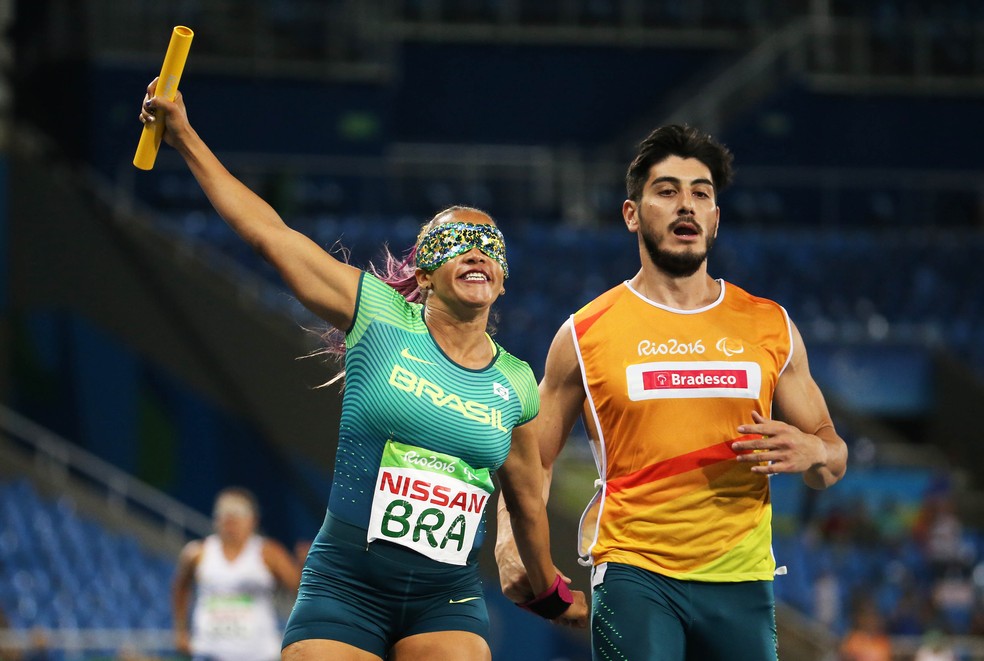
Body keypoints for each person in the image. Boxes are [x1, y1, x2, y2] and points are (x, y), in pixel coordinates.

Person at [140, 78, 588, 661]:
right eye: (457, 242)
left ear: (502, 279)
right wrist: (184, 136)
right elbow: (270, 235)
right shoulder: (377, 314)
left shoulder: (516, 382)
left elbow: (527, 502)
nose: (477, 252)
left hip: (445, 597)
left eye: (490, 246)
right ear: (424, 274)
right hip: (345, 585)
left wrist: (549, 589)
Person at [495, 124, 849, 660]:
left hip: (743, 578)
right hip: (634, 572)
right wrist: (507, 544)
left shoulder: (770, 325)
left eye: (700, 193)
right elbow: (533, 462)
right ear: (632, 214)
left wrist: (817, 450)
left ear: (715, 218)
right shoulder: (584, 333)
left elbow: (832, 459)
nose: (686, 204)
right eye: (667, 190)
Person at [172, 487, 302, 661]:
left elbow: (300, 589)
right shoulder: (197, 553)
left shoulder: (269, 553)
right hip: (209, 653)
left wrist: (304, 566)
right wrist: (180, 631)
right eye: (225, 513)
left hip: (259, 655)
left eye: (238, 513)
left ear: (253, 520)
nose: (230, 520)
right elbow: (180, 588)